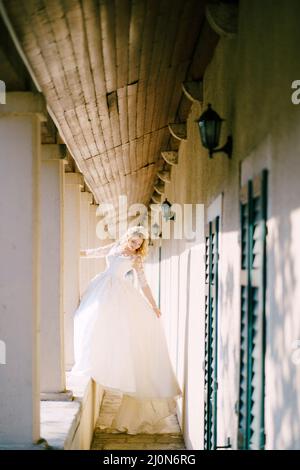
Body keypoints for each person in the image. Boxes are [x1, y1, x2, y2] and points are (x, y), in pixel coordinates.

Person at [71, 225, 182, 434]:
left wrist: (154, 305)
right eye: (133, 241)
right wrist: (72, 251)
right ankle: (88, 358)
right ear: (127, 237)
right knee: (86, 319)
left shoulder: (136, 260)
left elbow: (144, 283)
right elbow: (94, 252)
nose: (135, 246)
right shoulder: (115, 247)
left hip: (120, 292)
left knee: (114, 328)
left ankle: (105, 359)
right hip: (102, 286)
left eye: (138, 244)